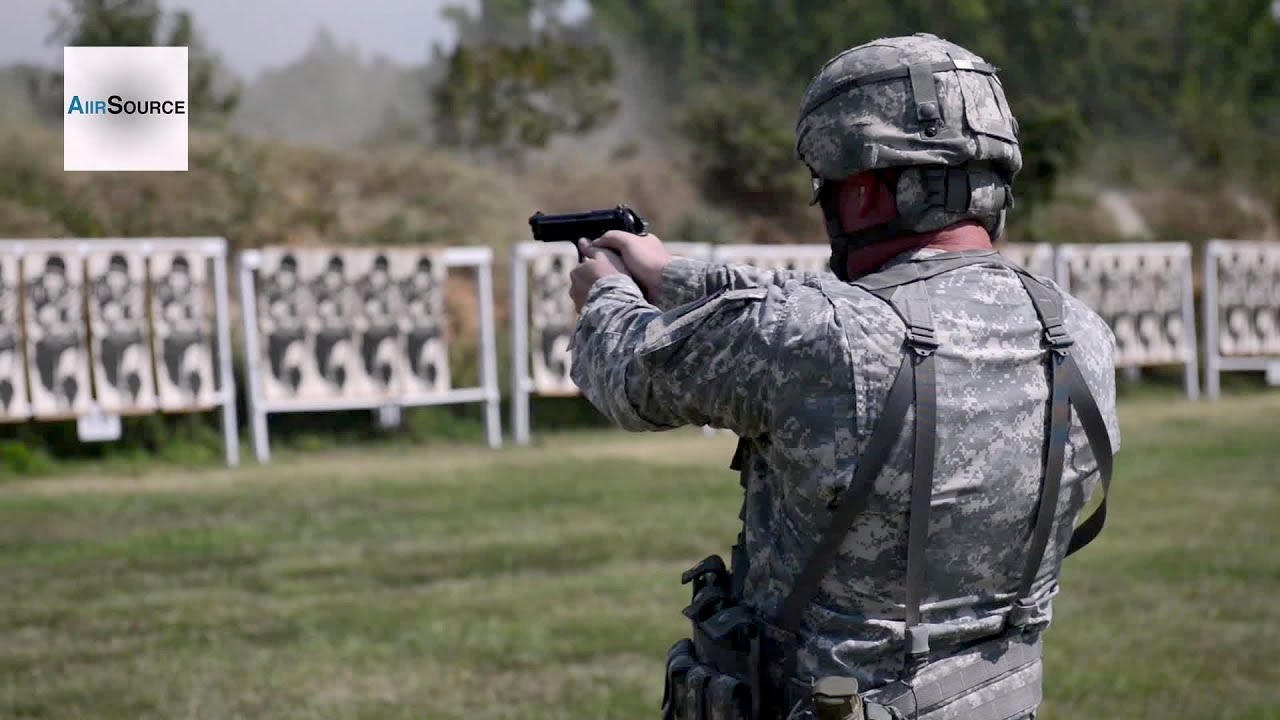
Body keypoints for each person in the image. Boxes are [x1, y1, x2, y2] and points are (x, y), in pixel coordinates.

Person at [566, 34, 1119, 720]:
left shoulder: (818, 339)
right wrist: (674, 273)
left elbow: (628, 374)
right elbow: (835, 315)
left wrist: (605, 294)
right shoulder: (1080, 337)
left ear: (861, 191)